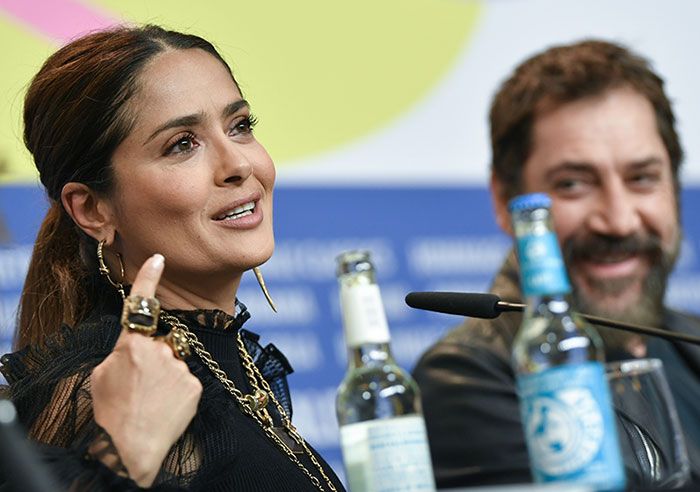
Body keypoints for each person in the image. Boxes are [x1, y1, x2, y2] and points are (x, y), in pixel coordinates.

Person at [0, 24, 344, 491]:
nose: (239, 165)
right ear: (92, 208)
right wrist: (122, 455)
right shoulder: (105, 389)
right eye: (182, 144)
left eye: (239, 126)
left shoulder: (231, 361)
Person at [412, 39, 700, 488]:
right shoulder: (466, 380)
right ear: (505, 202)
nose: (619, 220)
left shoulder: (692, 340)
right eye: (573, 184)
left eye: (642, 178)